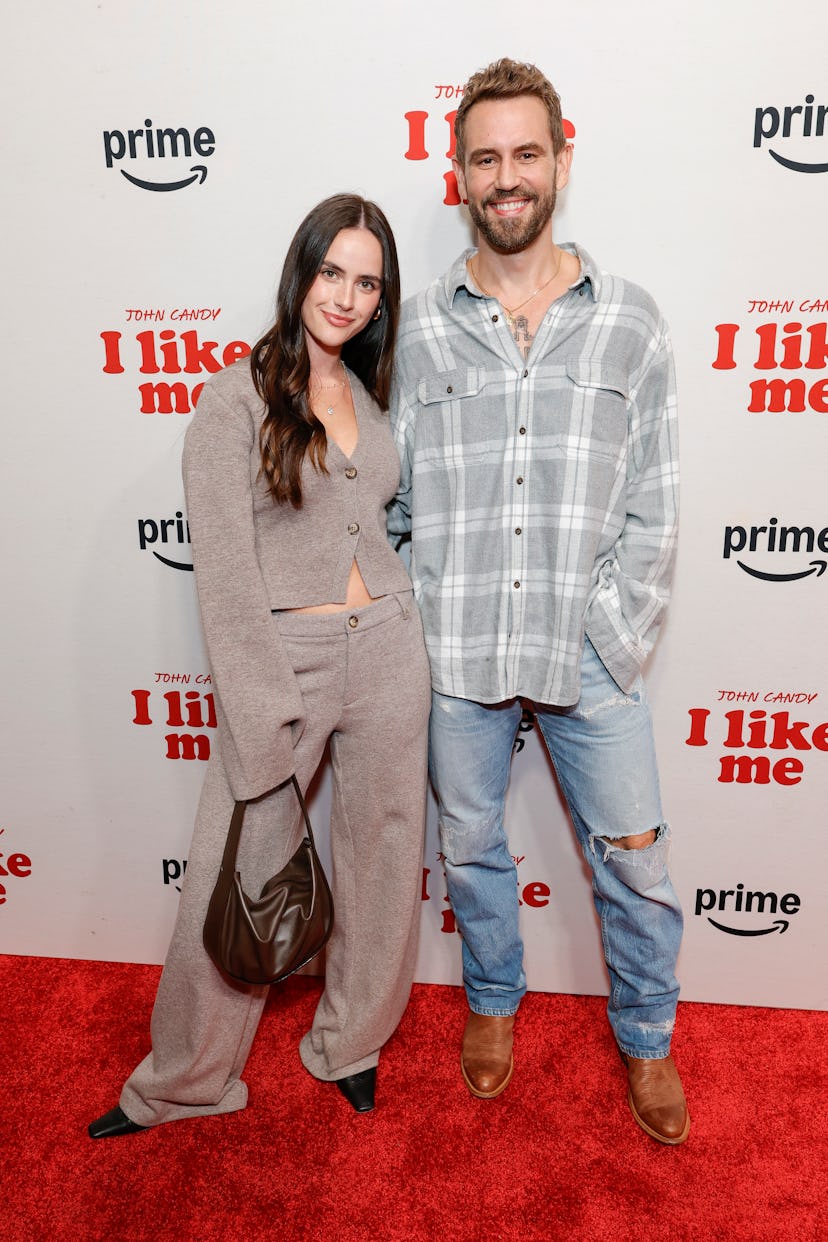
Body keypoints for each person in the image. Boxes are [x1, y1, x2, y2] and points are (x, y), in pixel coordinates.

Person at [388, 60, 688, 1144]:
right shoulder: (416, 330)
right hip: (457, 650)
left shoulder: (632, 322)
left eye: (525, 154)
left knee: (637, 859)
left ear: (562, 158)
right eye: (484, 158)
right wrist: (413, 619)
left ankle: (648, 1035)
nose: (505, 177)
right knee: (469, 848)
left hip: (588, 648)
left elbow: (657, 497)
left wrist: (615, 632)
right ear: (457, 174)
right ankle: (493, 1004)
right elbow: (390, 497)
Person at [89, 194, 431, 1137]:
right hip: (289, 664)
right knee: (232, 871)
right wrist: (260, 706)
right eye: (334, 273)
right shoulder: (231, 400)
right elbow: (228, 584)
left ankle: (350, 1041)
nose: (348, 297)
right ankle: (183, 1080)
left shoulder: (367, 395)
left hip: (394, 651)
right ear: (301, 272)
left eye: (368, 282)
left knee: (384, 854)